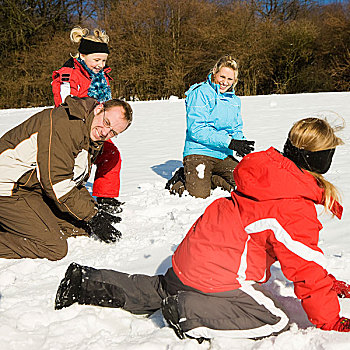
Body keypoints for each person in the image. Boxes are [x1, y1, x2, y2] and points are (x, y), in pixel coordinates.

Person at [55, 117, 350, 341]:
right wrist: (330, 321)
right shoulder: (292, 205)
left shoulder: (265, 172)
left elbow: (301, 258)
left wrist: (327, 282)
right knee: (274, 319)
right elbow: (306, 269)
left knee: (163, 288)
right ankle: (188, 312)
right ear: (321, 160)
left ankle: (86, 281)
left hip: (188, 262)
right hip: (212, 276)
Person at [0, 96, 132, 261]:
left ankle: (15, 223)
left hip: (30, 189)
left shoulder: (90, 135)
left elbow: (73, 183)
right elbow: (57, 182)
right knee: (54, 247)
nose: (105, 132)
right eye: (106, 122)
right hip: (8, 188)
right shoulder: (66, 124)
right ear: (99, 109)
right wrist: (93, 216)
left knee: (79, 227)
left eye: (113, 132)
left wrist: (95, 212)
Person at [52, 26, 123, 214]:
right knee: (76, 166)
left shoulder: (101, 77)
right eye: (96, 59)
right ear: (82, 55)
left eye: (104, 60)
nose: (100, 64)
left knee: (112, 155)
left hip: (95, 130)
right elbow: (64, 105)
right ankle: (67, 201)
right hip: (72, 131)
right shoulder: (69, 74)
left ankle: (105, 197)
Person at [166, 55, 255, 198]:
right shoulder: (200, 93)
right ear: (215, 72)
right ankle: (180, 180)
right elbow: (197, 130)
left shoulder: (234, 101)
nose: (225, 82)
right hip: (198, 152)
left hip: (223, 155)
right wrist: (230, 142)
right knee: (198, 196)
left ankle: (211, 179)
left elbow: (236, 128)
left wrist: (241, 144)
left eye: (229, 79)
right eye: (222, 77)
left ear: (234, 81)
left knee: (244, 186)